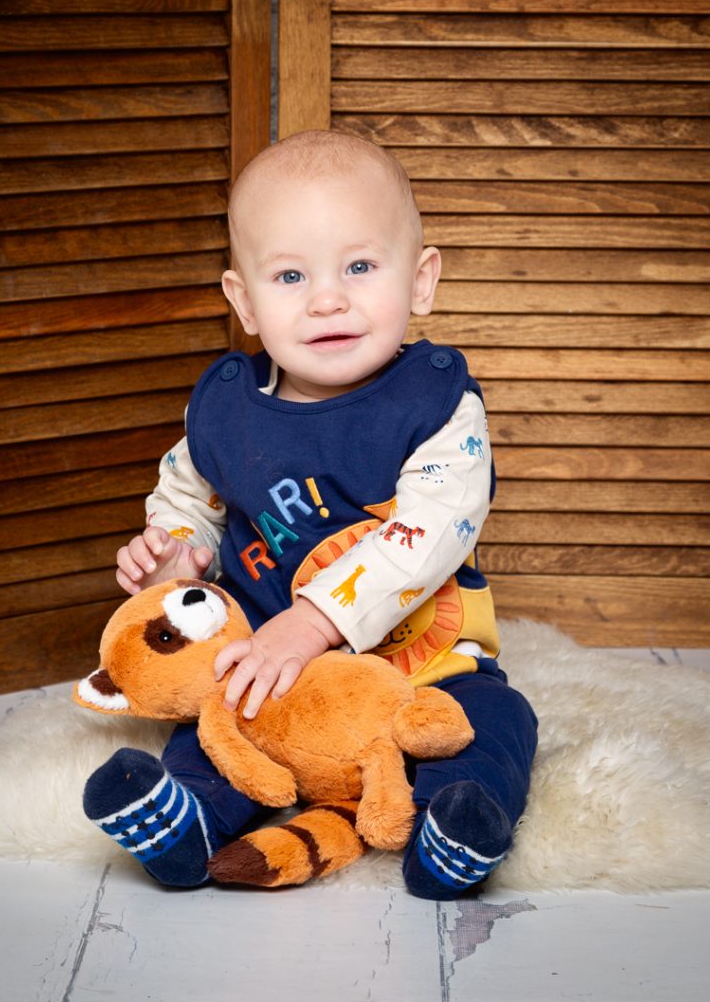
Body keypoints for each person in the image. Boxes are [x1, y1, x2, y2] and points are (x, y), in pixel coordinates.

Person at [83, 129, 537, 899]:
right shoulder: (226, 410)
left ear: (420, 281)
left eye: (359, 267)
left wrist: (315, 620)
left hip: (419, 661)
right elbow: (187, 493)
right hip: (267, 668)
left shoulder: (436, 404)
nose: (327, 298)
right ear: (245, 302)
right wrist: (175, 555)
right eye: (290, 275)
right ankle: (186, 817)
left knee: (494, 719)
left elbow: (425, 533)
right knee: (218, 728)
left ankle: (454, 822)